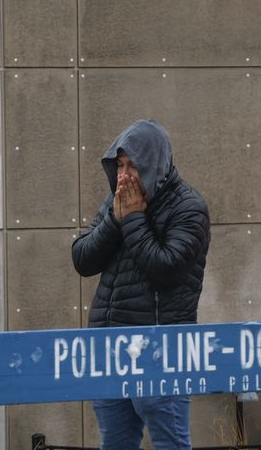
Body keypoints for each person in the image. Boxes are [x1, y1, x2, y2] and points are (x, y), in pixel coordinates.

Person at [72, 119, 210, 450]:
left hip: (159, 354)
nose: (124, 175)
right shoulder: (114, 203)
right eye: (119, 165)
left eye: (133, 165)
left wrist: (133, 219)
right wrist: (116, 220)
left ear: (153, 164)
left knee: (171, 444)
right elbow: (83, 259)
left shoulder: (188, 207)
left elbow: (167, 270)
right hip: (110, 351)